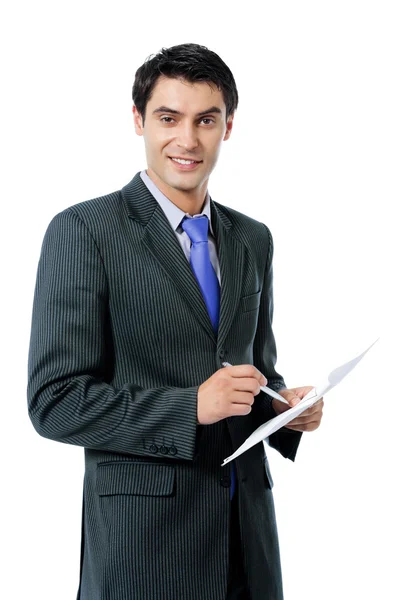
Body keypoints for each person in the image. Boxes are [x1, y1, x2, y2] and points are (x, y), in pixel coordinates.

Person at [27, 42, 323, 600]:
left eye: (205, 120)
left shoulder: (251, 239)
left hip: (248, 541)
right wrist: (189, 407)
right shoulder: (83, 232)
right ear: (138, 120)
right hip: (146, 551)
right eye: (169, 118)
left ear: (228, 126)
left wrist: (284, 408)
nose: (187, 140)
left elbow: (255, 370)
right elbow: (54, 402)